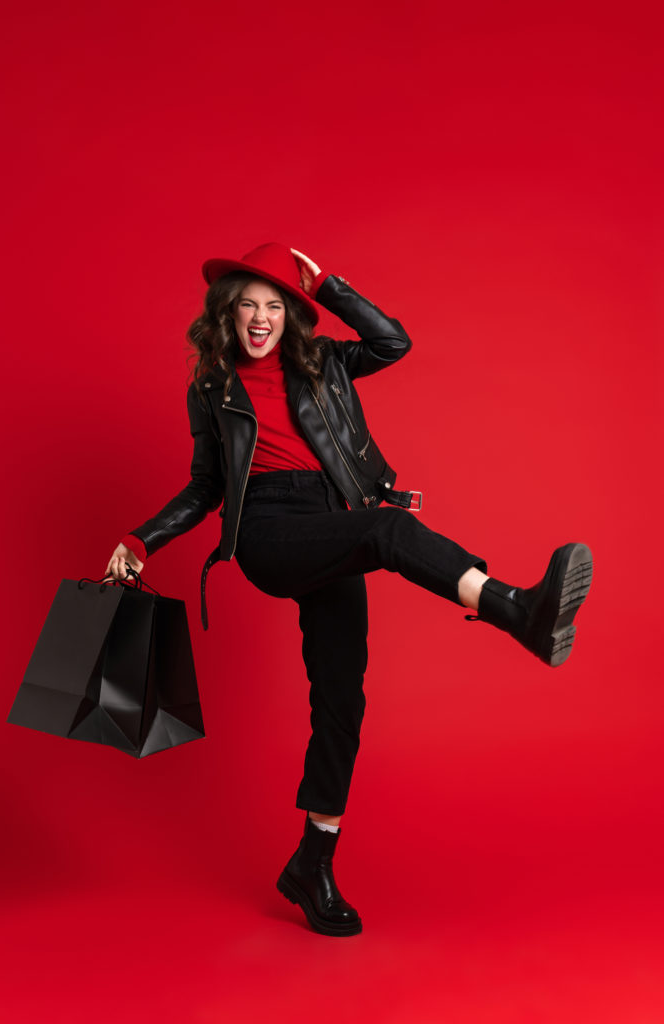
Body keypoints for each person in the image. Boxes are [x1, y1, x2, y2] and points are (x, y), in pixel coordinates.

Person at [105, 242, 592, 938]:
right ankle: (514, 608)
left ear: (290, 316)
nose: (260, 318)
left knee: (342, 698)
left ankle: (313, 862)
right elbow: (207, 486)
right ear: (228, 310)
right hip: (269, 533)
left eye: (275, 306)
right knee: (386, 533)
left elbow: (392, 342)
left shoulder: (324, 361)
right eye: (249, 303)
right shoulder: (210, 388)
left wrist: (328, 284)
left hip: (329, 520)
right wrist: (140, 538)